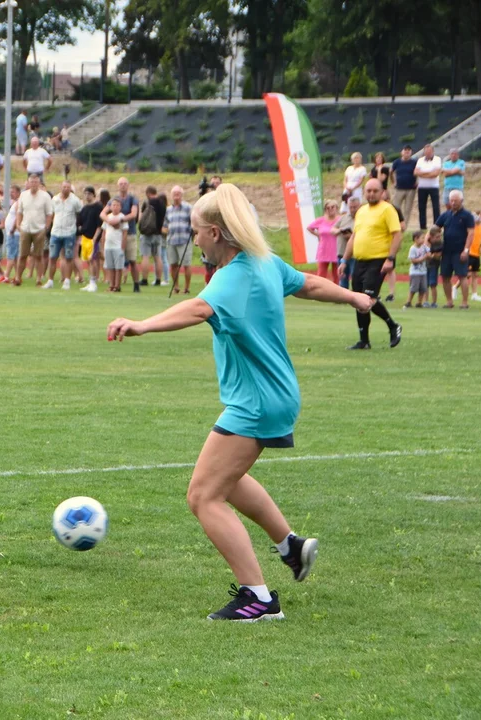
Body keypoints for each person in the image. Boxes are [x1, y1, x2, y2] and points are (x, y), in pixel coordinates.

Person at [108, 183, 372, 621]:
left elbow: (197, 309)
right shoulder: (263, 263)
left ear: (214, 232)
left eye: (196, 233)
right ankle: (290, 546)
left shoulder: (233, 276)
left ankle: (259, 598)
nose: (194, 241)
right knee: (225, 480)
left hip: (257, 401)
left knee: (203, 496)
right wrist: (353, 297)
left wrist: (141, 325)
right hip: (274, 394)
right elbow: (307, 283)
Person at [340, 179, 403, 350]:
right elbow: (354, 237)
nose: (371, 194)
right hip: (360, 261)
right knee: (357, 299)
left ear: (382, 192)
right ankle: (364, 341)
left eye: (375, 191)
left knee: (369, 299)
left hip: (378, 260)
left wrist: (390, 258)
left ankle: (393, 325)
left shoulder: (387, 210)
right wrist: (345, 260)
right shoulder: (361, 211)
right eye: (368, 191)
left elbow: (397, 235)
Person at [433, 189, 475, 309]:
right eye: (451, 200)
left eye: (455, 200)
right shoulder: (445, 215)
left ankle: (464, 302)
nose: (453, 203)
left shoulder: (467, 216)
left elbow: (471, 233)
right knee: (445, 276)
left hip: (459, 251)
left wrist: (466, 250)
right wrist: (430, 242)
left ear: (461, 201)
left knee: (462, 276)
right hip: (446, 251)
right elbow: (435, 228)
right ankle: (449, 301)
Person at [13, 174, 53, 286]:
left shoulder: (45, 196)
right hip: (25, 228)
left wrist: (46, 227)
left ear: (39, 183)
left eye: (36, 182)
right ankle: (18, 278)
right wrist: (18, 224)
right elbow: (19, 211)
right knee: (22, 255)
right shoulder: (23, 195)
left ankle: (39, 279)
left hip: (39, 229)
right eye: (32, 182)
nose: (34, 184)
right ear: (28, 183)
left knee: (38, 255)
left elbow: (49, 213)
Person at [48, 181, 82, 290]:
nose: (65, 189)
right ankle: (50, 280)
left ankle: (67, 281)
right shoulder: (55, 200)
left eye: (68, 187)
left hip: (69, 232)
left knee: (68, 257)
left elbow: (79, 214)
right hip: (56, 232)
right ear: (60, 187)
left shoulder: (75, 200)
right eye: (64, 187)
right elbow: (51, 213)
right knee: (53, 257)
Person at [111, 177, 141, 292]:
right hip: (116, 234)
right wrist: (109, 220)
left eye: (124, 184)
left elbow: (134, 214)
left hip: (130, 233)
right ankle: (115, 285)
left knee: (132, 260)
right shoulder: (114, 199)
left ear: (128, 186)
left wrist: (120, 219)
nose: (122, 185)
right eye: (120, 184)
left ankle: (136, 284)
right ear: (118, 186)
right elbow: (104, 212)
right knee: (115, 260)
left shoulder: (133, 199)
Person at [164, 185, 193, 294]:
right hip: (171, 240)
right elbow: (165, 225)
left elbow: (193, 223)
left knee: (186, 264)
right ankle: (176, 286)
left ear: (182, 195)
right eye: (174, 194)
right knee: (173, 264)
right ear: (171, 196)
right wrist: (166, 231)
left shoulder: (188, 208)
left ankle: (187, 287)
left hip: (184, 240)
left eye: (178, 194)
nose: (176, 196)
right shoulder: (168, 210)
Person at [137, 185, 166, 286]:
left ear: (148, 193)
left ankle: (144, 279)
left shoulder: (148, 202)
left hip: (147, 233)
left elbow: (141, 217)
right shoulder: (162, 203)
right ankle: (158, 279)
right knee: (157, 257)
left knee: (145, 256)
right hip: (158, 233)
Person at [307, 200, 341, 283]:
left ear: (336, 208)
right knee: (321, 274)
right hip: (324, 250)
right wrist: (318, 234)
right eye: (327, 208)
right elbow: (309, 227)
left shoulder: (340, 220)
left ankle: (337, 292)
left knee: (336, 274)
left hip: (336, 249)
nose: (330, 209)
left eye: (332, 207)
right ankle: (321, 290)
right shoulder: (321, 220)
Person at [77, 186, 103, 292]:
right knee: (88, 260)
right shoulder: (85, 208)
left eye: (89, 194)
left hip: (93, 238)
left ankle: (94, 281)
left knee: (93, 260)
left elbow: (99, 225)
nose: (87, 196)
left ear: (93, 194)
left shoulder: (98, 207)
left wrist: (95, 238)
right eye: (85, 194)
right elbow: (80, 222)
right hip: (85, 237)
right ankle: (90, 281)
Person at [334, 196, 361, 289]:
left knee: (355, 275)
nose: (352, 209)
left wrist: (352, 236)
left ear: (359, 206)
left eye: (355, 207)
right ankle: (343, 294)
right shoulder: (343, 218)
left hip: (355, 253)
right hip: (342, 251)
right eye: (351, 207)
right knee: (342, 275)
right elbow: (332, 229)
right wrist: (339, 231)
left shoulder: (362, 218)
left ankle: (356, 292)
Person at [414, 143, 442, 230]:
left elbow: (436, 173)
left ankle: (436, 226)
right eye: (426, 151)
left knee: (436, 207)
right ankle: (423, 226)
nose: (427, 153)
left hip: (434, 186)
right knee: (421, 207)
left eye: (429, 151)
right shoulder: (420, 160)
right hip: (422, 187)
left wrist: (422, 174)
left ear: (432, 151)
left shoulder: (437, 159)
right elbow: (415, 172)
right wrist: (429, 173)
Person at [100, 198, 125, 292]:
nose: (115, 207)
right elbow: (104, 232)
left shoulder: (122, 217)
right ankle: (111, 284)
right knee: (110, 267)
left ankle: (117, 285)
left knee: (118, 267)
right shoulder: (108, 218)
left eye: (117, 205)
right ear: (110, 207)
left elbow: (125, 233)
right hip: (108, 246)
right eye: (113, 205)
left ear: (120, 207)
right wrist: (103, 246)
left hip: (117, 246)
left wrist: (123, 247)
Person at [389, 145, 417, 221]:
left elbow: (418, 172)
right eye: (405, 150)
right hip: (399, 189)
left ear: (411, 152)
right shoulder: (397, 162)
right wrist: (393, 182)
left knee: (407, 209)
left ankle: (405, 226)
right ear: (402, 152)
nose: (407, 152)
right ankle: (396, 223)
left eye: (409, 150)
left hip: (411, 189)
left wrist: (417, 182)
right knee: (395, 207)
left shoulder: (414, 162)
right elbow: (391, 172)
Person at [0, 185, 22, 283]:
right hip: (13, 233)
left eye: (13, 192)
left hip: (14, 233)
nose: (11, 193)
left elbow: (18, 217)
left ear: (18, 193)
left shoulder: (18, 203)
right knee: (15, 256)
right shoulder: (15, 203)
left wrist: (13, 229)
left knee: (11, 255)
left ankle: (6, 276)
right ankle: (17, 276)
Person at [404, 231, 429, 309]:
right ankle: (408, 301)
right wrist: (424, 257)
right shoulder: (413, 248)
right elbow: (413, 260)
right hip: (415, 272)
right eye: (422, 238)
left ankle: (419, 302)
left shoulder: (424, 247)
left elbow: (429, 252)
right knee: (414, 288)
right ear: (416, 239)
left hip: (423, 271)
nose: (424, 240)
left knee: (423, 288)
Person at [425, 225, 443, 308]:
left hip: (433, 266)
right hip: (425, 266)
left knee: (433, 284)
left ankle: (434, 302)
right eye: (437, 237)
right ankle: (425, 301)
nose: (439, 238)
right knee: (425, 284)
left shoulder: (440, 244)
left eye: (440, 236)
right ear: (431, 237)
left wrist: (431, 255)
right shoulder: (427, 242)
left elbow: (438, 255)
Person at [470, 211, 481, 303]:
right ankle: (454, 288)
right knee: (467, 274)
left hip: (476, 254)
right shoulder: (471, 226)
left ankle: (474, 294)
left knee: (475, 274)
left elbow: (480, 239)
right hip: (470, 253)